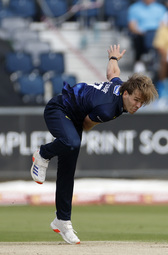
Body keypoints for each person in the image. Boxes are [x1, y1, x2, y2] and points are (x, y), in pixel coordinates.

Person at [30, 45, 158, 244]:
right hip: (58, 109)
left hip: (72, 115)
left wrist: (114, 57)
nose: (138, 106)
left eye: (142, 103)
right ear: (126, 94)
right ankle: (43, 154)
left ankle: (62, 221)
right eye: (136, 100)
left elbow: (113, 73)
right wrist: (73, 136)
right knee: (71, 142)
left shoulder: (121, 86)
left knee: (67, 172)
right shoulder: (109, 109)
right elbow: (87, 124)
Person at [128, 0, 166, 73]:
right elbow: (132, 26)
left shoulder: (160, 8)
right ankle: (140, 60)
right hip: (141, 34)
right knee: (139, 39)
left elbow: (163, 24)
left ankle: (156, 61)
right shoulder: (134, 8)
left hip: (156, 33)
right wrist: (142, 32)